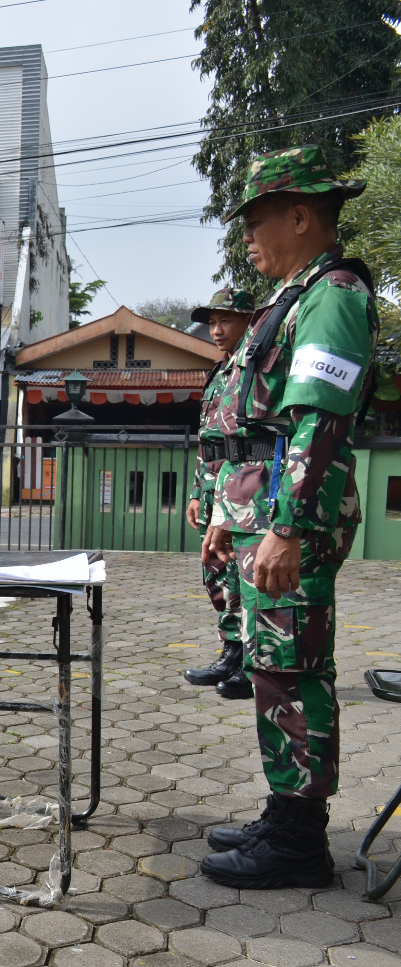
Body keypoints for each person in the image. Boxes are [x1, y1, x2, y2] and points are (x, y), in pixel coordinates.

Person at [198, 145, 376, 889]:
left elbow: (319, 421)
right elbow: (252, 425)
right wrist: (228, 511)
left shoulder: (332, 294)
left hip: (291, 514)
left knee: (294, 670)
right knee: (274, 665)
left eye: (257, 219)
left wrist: (288, 525)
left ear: (301, 217)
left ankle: (300, 842)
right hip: (264, 507)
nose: (246, 236)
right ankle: (285, 812)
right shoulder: (292, 298)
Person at [183, 288, 255, 699]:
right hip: (213, 488)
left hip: (240, 488)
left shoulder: (254, 366)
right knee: (217, 573)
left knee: (242, 574)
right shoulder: (219, 371)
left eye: (225, 320)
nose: (216, 330)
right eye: (212, 322)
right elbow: (206, 441)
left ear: (249, 320)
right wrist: (197, 493)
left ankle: (252, 661)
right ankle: (231, 651)